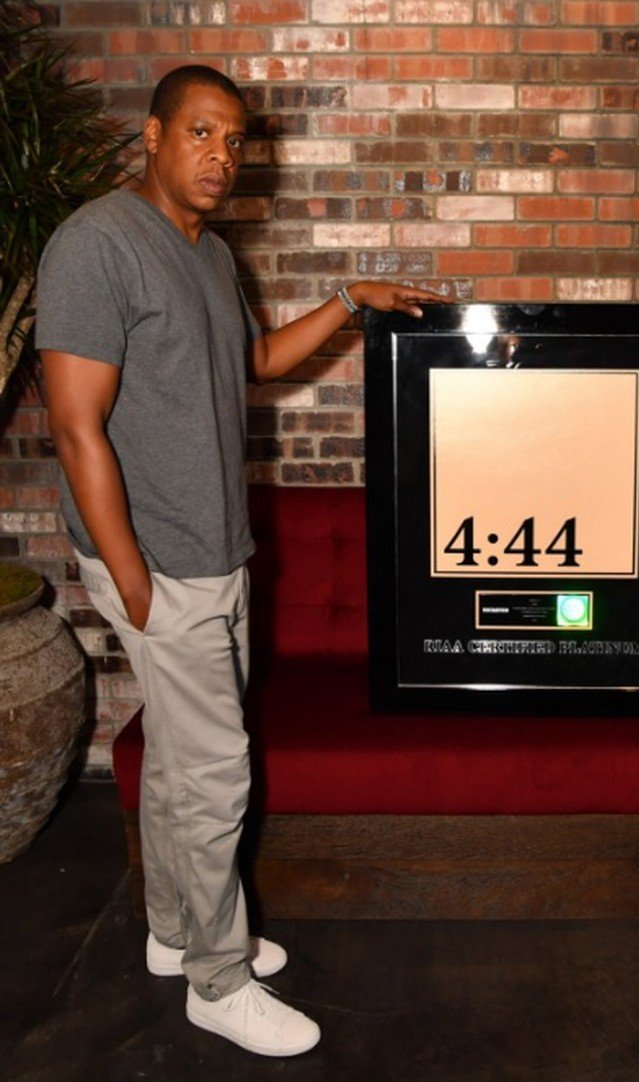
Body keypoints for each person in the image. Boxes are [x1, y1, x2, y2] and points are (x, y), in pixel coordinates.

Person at [35, 65, 443, 1056]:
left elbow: (252, 363)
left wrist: (348, 300)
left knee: (182, 760)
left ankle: (175, 931)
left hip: (216, 549)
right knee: (218, 774)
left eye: (234, 140)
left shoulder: (210, 254)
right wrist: (134, 579)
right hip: (158, 558)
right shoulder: (96, 243)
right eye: (200, 133)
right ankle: (218, 981)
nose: (221, 155)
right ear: (152, 135)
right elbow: (77, 427)